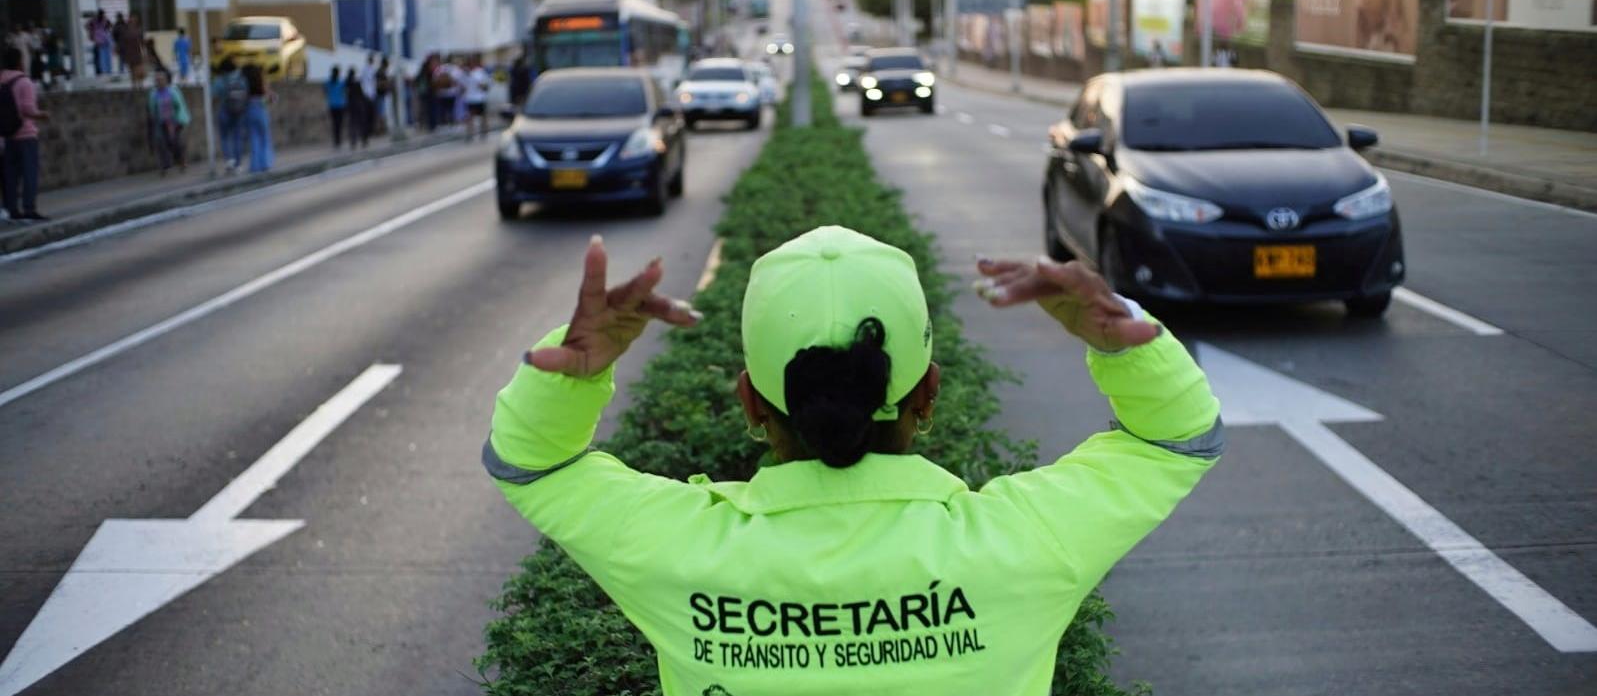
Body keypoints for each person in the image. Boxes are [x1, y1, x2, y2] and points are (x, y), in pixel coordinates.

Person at [485, 226, 1222, 695]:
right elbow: (1177, 439)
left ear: (749, 401)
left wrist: (571, 371)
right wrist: (1123, 341)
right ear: (927, 395)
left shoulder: (678, 550)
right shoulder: (1024, 544)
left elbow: (532, 464)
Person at [0, 47, 51, 221]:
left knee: (10, 174)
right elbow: (27, 109)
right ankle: (29, 208)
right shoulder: (24, 82)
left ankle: (12, 208)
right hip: (26, 133)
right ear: (20, 61)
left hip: (7, 135)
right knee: (29, 172)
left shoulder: (1, 81)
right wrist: (42, 115)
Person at [147, 70, 189, 175]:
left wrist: (177, 120)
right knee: (161, 142)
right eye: (157, 80)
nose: (159, 82)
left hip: (174, 121)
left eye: (161, 80)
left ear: (166, 80)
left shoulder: (173, 91)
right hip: (161, 121)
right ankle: (164, 166)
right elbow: (152, 108)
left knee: (174, 142)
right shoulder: (153, 94)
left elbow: (179, 106)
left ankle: (181, 161)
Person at [212, 58, 248, 172]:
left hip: (224, 110)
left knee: (225, 136)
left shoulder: (220, 79)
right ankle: (238, 164)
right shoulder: (241, 78)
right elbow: (247, 93)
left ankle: (229, 160)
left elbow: (213, 95)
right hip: (239, 111)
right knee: (237, 137)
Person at [241, 64, 273, 173]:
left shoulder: (245, 82)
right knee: (264, 138)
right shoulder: (261, 81)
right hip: (261, 109)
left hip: (249, 111)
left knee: (254, 139)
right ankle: (266, 163)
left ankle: (255, 166)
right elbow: (270, 97)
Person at [462, 56, 490, 140]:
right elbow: (462, 87)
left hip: (480, 98)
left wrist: (480, 85)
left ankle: (484, 132)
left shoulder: (480, 72)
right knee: (469, 117)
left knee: (483, 116)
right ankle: (470, 134)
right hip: (470, 98)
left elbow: (486, 85)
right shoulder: (465, 73)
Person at [344, 65, 371, 149]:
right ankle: (364, 140)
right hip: (358, 105)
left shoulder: (347, 83)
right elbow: (361, 94)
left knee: (353, 124)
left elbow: (346, 94)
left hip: (351, 105)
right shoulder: (356, 83)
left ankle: (353, 142)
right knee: (361, 123)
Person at [121, 13, 146, 88]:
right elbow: (123, 42)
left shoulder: (139, 30)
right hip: (129, 53)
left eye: (134, 19)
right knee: (132, 69)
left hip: (137, 52)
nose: (133, 20)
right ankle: (134, 84)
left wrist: (144, 51)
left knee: (138, 69)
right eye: (132, 18)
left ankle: (140, 83)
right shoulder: (125, 30)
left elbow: (142, 42)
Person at [324, 66, 347, 148]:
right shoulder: (341, 82)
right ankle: (338, 140)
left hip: (332, 105)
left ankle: (336, 140)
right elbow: (344, 92)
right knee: (339, 124)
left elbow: (326, 92)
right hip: (340, 105)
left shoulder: (328, 82)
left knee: (334, 124)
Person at [86, 10, 112, 76]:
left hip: (101, 42)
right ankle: (104, 70)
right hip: (101, 42)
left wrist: (92, 33)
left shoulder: (97, 21)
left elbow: (87, 25)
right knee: (103, 57)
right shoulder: (98, 21)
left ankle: (103, 70)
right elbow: (110, 26)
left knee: (101, 57)